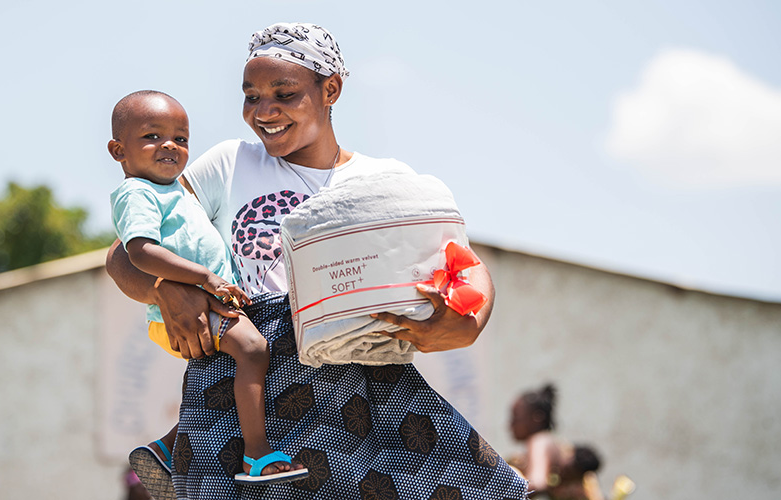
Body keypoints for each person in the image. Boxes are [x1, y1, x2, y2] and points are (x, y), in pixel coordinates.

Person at [107, 22, 529, 499]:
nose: (264, 112)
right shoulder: (229, 165)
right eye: (251, 97)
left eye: (284, 94)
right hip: (252, 386)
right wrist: (164, 289)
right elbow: (123, 255)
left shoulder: (384, 180)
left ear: (331, 90)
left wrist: (469, 323)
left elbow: (463, 264)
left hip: (367, 390)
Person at [108, 90, 307, 484]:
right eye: (152, 136)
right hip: (190, 308)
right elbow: (138, 251)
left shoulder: (174, 191)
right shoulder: (137, 193)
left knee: (223, 372)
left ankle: (167, 448)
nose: (170, 145)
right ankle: (257, 454)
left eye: (180, 138)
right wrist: (204, 279)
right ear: (118, 151)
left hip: (210, 301)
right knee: (253, 351)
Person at [508, 384, 563, 497]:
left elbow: (537, 483)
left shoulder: (539, 441)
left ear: (537, 418)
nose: (510, 425)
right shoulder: (548, 440)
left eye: (516, 418)